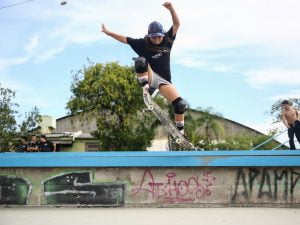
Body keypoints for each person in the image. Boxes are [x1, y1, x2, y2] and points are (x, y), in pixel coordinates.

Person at [101, 2, 187, 135]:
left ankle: (181, 133)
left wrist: (171, 9)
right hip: (151, 75)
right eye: (154, 37)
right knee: (140, 61)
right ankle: (147, 88)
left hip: (165, 81)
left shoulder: (168, 40)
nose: (157, 39)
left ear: (163, 35)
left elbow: (177, 24)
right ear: (149, 36)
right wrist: (108, 33)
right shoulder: (142, 43)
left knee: (180, 104)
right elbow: (125, 39)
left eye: (159, 36)